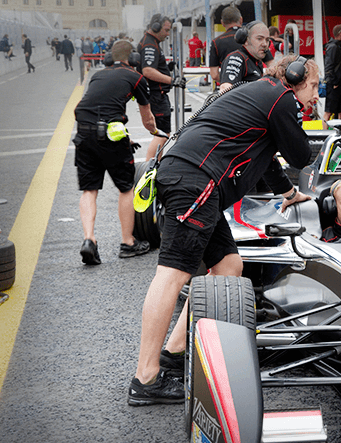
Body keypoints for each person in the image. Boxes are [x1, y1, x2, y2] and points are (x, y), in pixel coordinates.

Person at [128, 56, 319, 405]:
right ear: (295, 77)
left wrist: (290, 194)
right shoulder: (281, 98)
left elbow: (267, 159)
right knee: (172, 275)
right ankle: (146, 377)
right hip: (196, 180)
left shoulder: (264, 93)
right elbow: (300, 155)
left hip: (196, 180)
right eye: (314, 86)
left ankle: (173, 353)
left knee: (229, 265)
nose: (316, 95)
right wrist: (300, 117)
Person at [73, 40, 156, 266]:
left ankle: (89, 239)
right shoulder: (136, 77)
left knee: (89, 189)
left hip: (84, 133)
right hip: (110, 136)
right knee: (126, 187)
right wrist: (157, 132)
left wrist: (123, 136)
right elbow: (147, 119)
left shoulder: (97, 75)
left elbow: (86, 108)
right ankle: (128, 242)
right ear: (134, 59)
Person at [138, 14, 177, 161]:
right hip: (156, 96)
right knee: (162, 134)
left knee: (162, 134)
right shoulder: (150, 44)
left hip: (156, 95)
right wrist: (172, 80)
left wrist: (166, 68)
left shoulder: (151, 42)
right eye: (166, 30)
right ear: (155, 27)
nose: (167, 34)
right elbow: (148, 70)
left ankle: (155, 165)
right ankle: (150, 167)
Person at [218, 21, 270, 91]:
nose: (265, 44)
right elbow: (225, 88)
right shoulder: (237, 58)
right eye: (259, 39)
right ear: (246, 40)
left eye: (267, 40)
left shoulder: (256, 61)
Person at [208, 6, 244, 85]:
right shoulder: (253, 38)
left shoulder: (216, 42)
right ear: (241, 20)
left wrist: (228, 80)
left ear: (222, 23)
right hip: (252, 87)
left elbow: (214, 75)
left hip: (230, 88)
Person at [323, 24, 341, 122]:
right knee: (328, 112)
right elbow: (328, 66)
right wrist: (334, 82)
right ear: (340, 33)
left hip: (339, 83)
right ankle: (324, 131)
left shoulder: (338, 46)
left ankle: (340, 130)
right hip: (334, 84)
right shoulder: (333, 47)